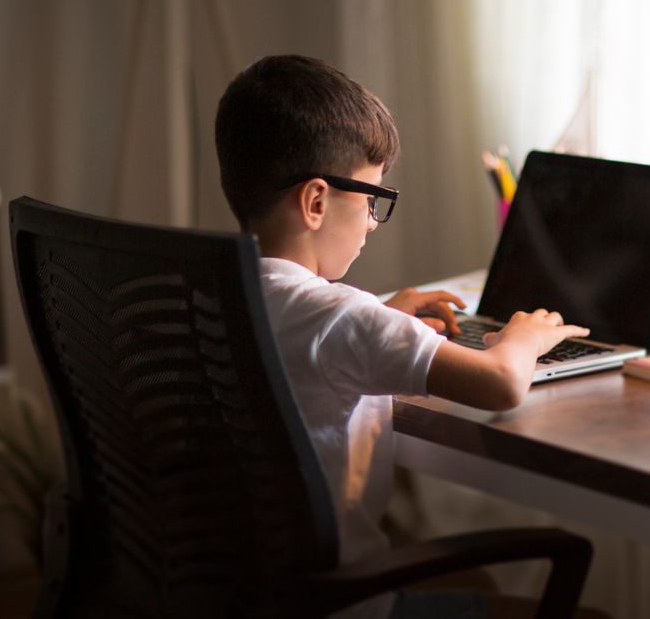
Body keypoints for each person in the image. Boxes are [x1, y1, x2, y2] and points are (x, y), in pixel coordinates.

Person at [214, 54, 590, 618]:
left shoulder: (209, 291)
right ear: (316, 202)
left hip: (237, 596)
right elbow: (501, 384)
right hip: (343, 604)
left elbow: (301, 343)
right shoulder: (342, 317)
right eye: (370, 200)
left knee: (478, 583)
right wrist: (526, 337)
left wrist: (383, 315)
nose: (370, 221)